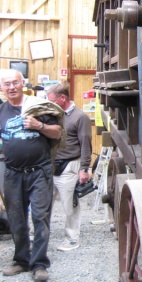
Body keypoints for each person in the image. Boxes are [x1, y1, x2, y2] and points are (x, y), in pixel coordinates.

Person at [0, 69, 63, 282]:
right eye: (6, 84)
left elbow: (57, 132)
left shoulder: (38, 106)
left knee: (40, 218)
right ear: (2, 86)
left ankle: (39, 264)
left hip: (40, 172)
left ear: (22, 83)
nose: (11, 87)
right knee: (16, 219)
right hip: (13, 174)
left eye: (15, 83)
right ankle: (21, 260)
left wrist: (40, 125)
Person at [46, 83, 92, 251]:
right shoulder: (54, 115)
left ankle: (72, 239)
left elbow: (85, 143)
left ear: (63, 98)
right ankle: (41, 236)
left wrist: (84, 168)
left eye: (51, 100)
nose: (48, 103)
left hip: (70, 165)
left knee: (69, 205)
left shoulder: (81, 117)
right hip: (51, 164)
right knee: (44, 202)